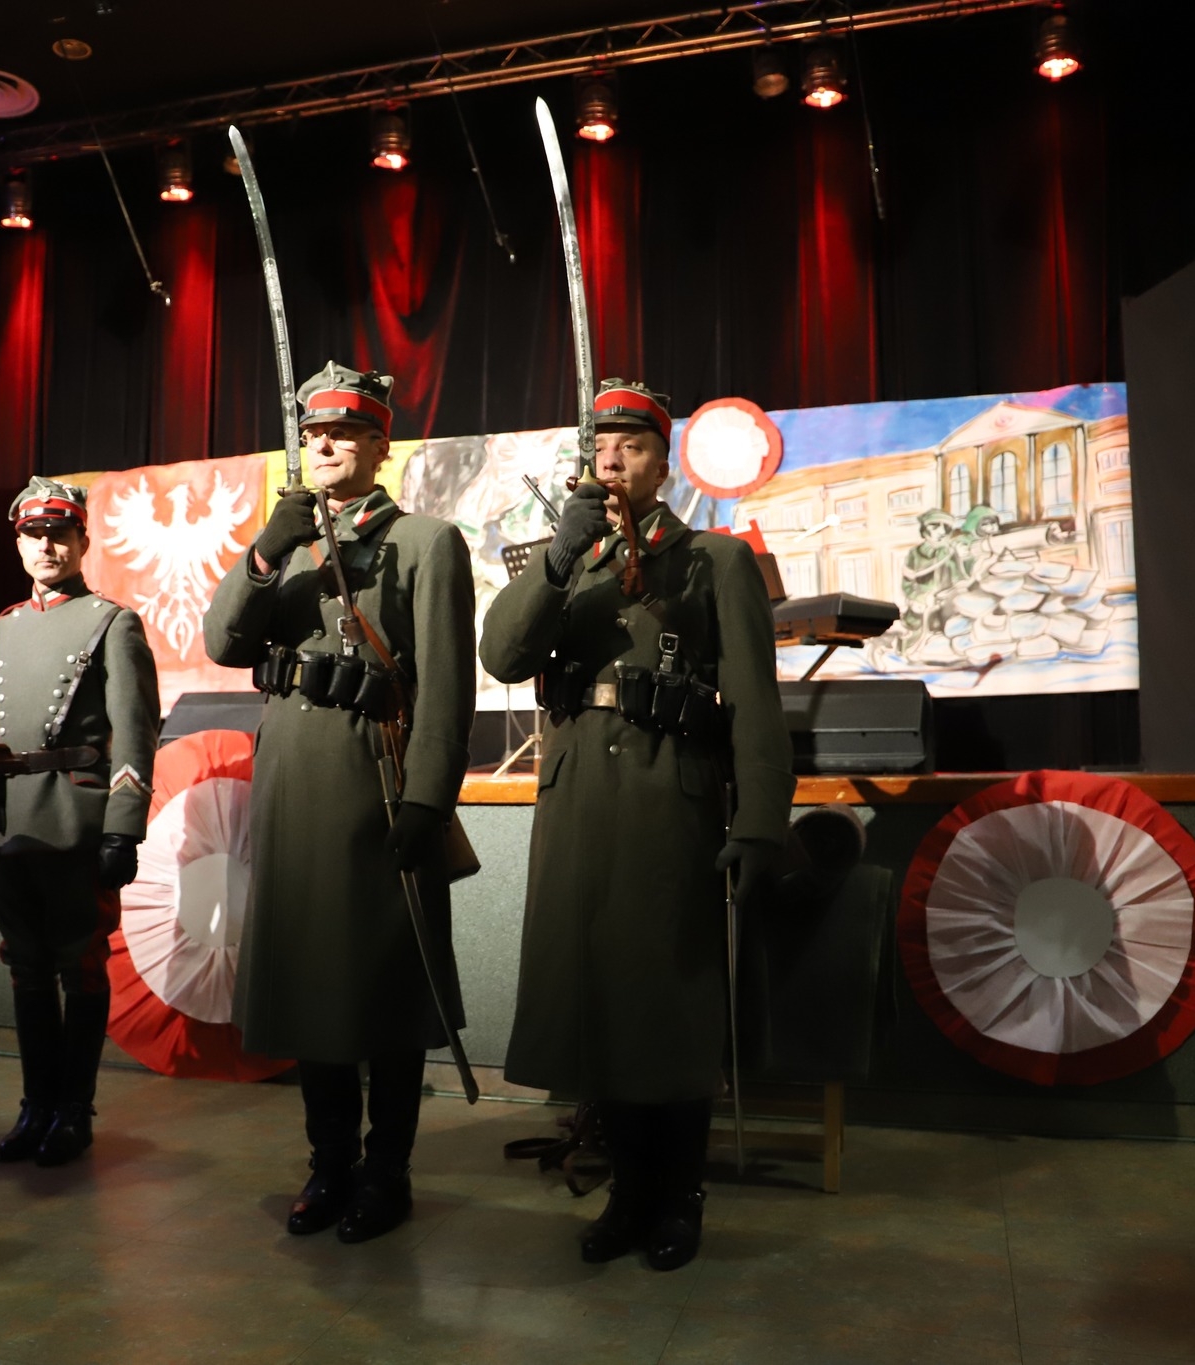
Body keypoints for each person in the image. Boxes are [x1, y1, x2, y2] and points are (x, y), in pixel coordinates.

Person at [480, 379, 794, 1272]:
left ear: (664, 465)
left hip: (670, 798)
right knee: (601, 1006)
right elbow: (501, 655)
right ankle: (626, 1190)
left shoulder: (712, 560)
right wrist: (555, 561)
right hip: (579, 801)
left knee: (669, 1007)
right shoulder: (569, 561)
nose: (614, 459)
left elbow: (756, 705)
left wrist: (761, 821)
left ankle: (679, 1195)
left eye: (635, 446)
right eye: (602, 446)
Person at [202, 361, 477, 1244]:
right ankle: (329, 1164)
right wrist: (263, 554)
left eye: (345, 432)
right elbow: (222, 642)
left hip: (376, 782)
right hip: (292, 786)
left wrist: (428, 798)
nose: (324, 446)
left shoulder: (426, 542)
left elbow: (446, 687)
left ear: (378, 443)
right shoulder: (286, 547)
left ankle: (386, 1171)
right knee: (312, 988)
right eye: (313, 434)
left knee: (386, 992)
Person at [0, 477, 160, 1167]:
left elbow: (135, 734)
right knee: (27, 969)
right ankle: (35, 1106)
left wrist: (123, 826)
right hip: (4, 820)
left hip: (73, 819)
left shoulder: (112, 622)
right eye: (34, 534)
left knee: (80, 965)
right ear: (18, 544)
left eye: (60, 533)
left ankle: (74, 1111)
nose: (47, 546)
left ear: (82, 541)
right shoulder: (3, 626)